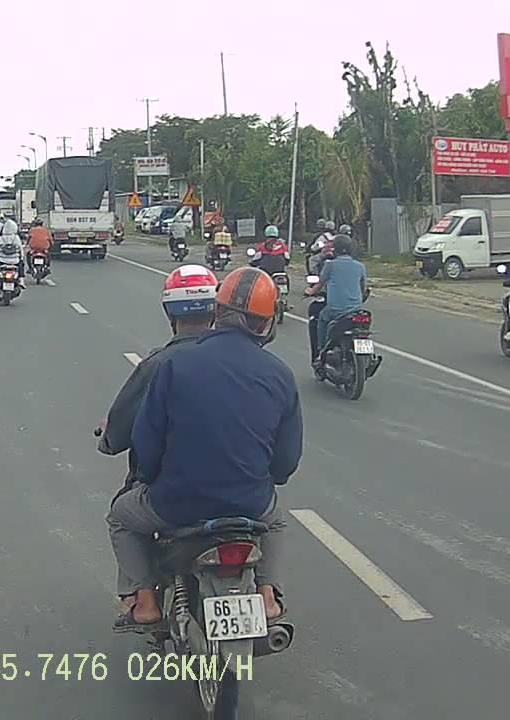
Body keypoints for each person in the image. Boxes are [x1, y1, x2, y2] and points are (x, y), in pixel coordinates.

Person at [107, 266, 300, 632]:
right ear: (266, 323)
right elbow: (285, 464)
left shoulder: (173, 363)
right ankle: (266, 595)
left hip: (176, 504)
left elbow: (147, 444)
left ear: (218, 310)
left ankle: (145, 602)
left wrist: (149, 479)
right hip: (250, 504)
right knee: (275, 520)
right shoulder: (280, 374)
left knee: (121, 516)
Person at [97, 265, 219, 484]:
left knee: (124, 506)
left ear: (170, 311)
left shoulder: (159, 365)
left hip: (173, 493)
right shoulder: (253, 364)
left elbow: (114, 438)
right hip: (247, 495)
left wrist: (109, 432)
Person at [306, 234, 367, 364]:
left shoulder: (330, 265)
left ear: (335, 249)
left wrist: (309, 291)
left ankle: (321, 350)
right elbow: (363, 288)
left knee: (322, 318)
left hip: (335, 310)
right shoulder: (360, 266)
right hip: (355, 311)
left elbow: (319, 285)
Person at [251, 225, 291, 290]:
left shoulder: (262, 246)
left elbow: (255, 259)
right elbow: (287, 258)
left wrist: (252, 263)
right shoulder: (282, 245)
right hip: (280, 271)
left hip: (266, 272)